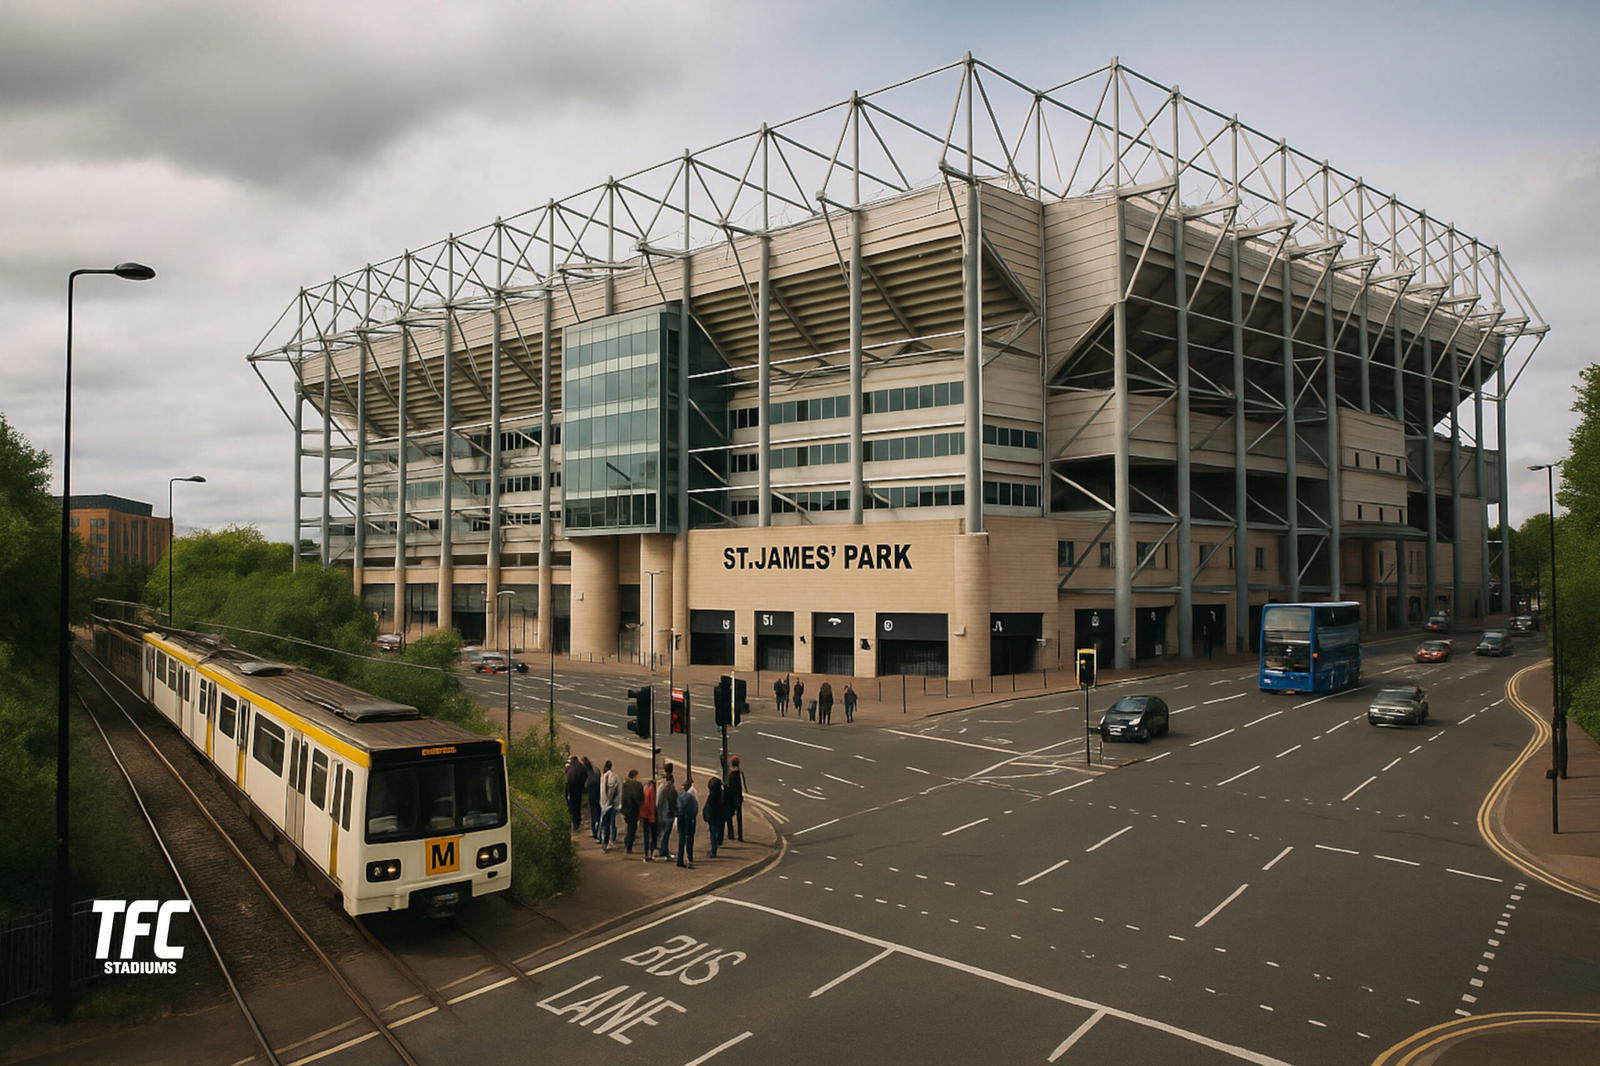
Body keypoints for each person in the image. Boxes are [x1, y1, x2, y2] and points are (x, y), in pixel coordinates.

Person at [676, 775, 700, 868]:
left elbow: (677, 808)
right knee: (689, 840)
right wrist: (693, 818)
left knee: (681, 840)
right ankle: (689, 858)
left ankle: (680, 859)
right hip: (689, 820)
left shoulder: (680, 796)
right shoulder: (691, 798)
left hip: (680, 820)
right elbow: (695, 809)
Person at [655, 765, 678, 859]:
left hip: (661, 813)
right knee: (666, 834)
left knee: (662, 833)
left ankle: (663, 850)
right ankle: (663, 851)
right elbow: (673, 802)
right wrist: (675, 812)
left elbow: (657, 801)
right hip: (668, 814)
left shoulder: (661, 788)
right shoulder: (671, 789)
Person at [620, 769, 644, 855]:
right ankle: (628, 845)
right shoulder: (638, 785)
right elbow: (640, 798)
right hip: (634, 809)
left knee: (630, 826)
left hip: (626, 809)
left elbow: (623, 798)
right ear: (635, 776)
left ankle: (627, 842)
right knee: (632, 828)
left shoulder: (625, 785)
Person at [599, 760, 620, 852]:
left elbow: (603, 792)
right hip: (611, 804)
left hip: (604, 804)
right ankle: (611, 840)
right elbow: (616, 791)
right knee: (612, 823)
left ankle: (604, 842)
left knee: (604, 824)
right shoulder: (614, 776)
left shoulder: (603, 777)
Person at [725, 756, 746, 842]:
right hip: (738, 797)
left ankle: (731, 834)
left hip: (731, 798)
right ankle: (740, 836)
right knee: (739, 817)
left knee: (728, 815)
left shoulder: (731, 775)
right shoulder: (739, 773)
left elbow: (730, 787)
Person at [564, 755, 585, 833]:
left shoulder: (569, 768)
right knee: (577, 807)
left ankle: (573, 823)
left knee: (571, 807)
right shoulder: (581, 767)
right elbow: (584, 777)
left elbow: (566, 779)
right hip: (579, 790)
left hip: (571, 790)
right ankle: (577, 823)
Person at [704, 777, 725, 858]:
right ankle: (715, 847)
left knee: (713, 834)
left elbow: (709, 807)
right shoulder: (721, 794)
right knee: (716, 833)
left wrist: (707, 816)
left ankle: (713, 851)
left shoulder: (712, 796)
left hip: (713, 817)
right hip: (719, 816)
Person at [640, 774, 658, 861]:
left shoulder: (645, 788)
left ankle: (645, 853)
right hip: (649, 814)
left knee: (646, 835)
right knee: (653, 835)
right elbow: (652, 804)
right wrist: (652, 816)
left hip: (643, 814)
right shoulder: (652, 790)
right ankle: (650, 853)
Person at [584, 758, 602, 842]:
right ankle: (599, 829)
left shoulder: (589, 778)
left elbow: (586, 788)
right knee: (598, 814)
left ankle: (595, 832)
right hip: (599, 797)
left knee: (593, 815)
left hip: (592, 798)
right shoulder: (597, 774)